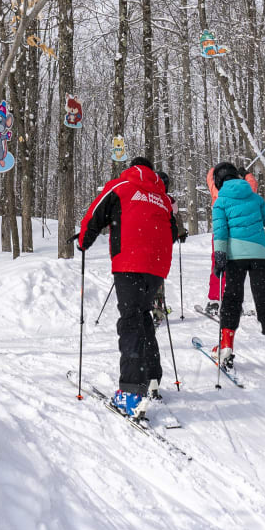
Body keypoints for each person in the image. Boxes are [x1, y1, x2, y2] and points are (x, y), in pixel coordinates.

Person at [78, 156, 179, 419]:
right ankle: (152, 378)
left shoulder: (121, 185)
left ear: (132, 168)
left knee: (131, 322)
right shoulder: (161, 196)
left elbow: (95, 215)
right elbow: (173, 231)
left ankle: (131, 392)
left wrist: (83, 240)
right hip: (156, 267)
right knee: (143, 317)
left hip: (130, 263)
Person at [210, 161, 265, 389]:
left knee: (232, 299)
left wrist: (220, 256)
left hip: (235, 257)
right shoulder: (255, 197)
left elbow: (221, 231)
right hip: (259, 256)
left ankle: (226, 348)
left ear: (218, 181)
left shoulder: (221, 201)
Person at [203, 163, 259, 318]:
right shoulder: (246, 191)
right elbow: (253, 184)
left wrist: (215, 169)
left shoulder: (217, 192)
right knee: (235, 267)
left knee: (218, 264)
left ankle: (215, 301)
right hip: (238, 233)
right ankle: (234, 302)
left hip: (220, 233)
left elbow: (210, 177)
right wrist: (245, 173)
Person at [152, 171, 187, 326]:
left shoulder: (147, 196)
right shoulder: (169, 200)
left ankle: (146, 309)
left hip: (144, 243)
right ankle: (158, 310)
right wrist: (180, 233)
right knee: (156, 277)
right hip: (161, 245)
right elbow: (175, 219)